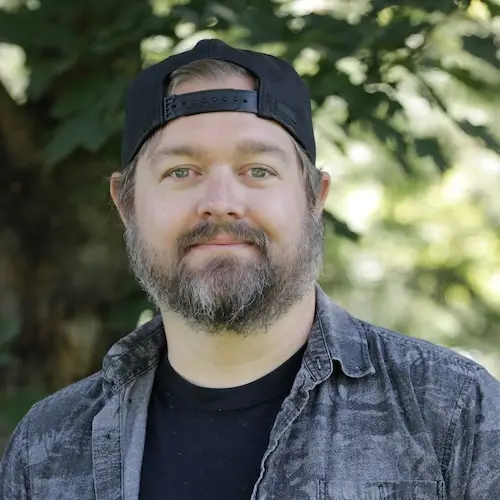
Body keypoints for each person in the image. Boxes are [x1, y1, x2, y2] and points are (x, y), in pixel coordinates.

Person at [1, 38, 499, 500]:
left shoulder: (453, 412)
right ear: (125, 204)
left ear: (314, 198)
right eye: (181, 171)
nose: (221, 202)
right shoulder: (47, 447)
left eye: (258, 170)